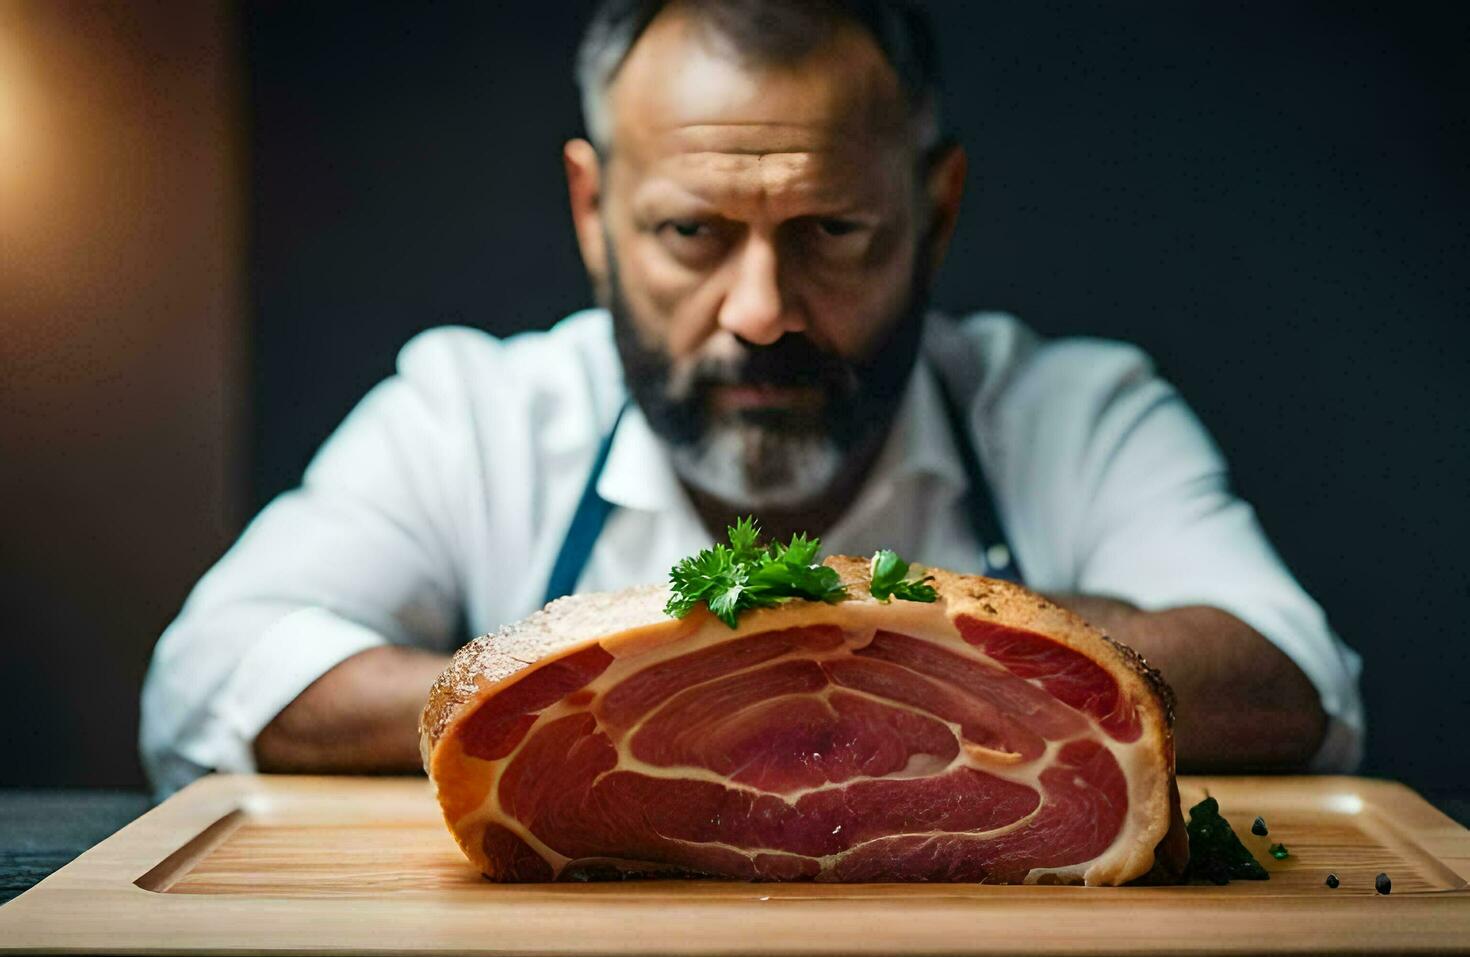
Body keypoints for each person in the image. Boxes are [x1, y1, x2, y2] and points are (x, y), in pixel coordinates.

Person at [140, 0, 1363, 799]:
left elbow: (1297, 678)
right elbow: (212, 670)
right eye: (691, 231)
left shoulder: (1077, 410)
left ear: (934, 210)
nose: (760, 309)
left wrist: (854, 651)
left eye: (831, 228)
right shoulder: (471, 410)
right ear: (592, 213)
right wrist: (630, 684)